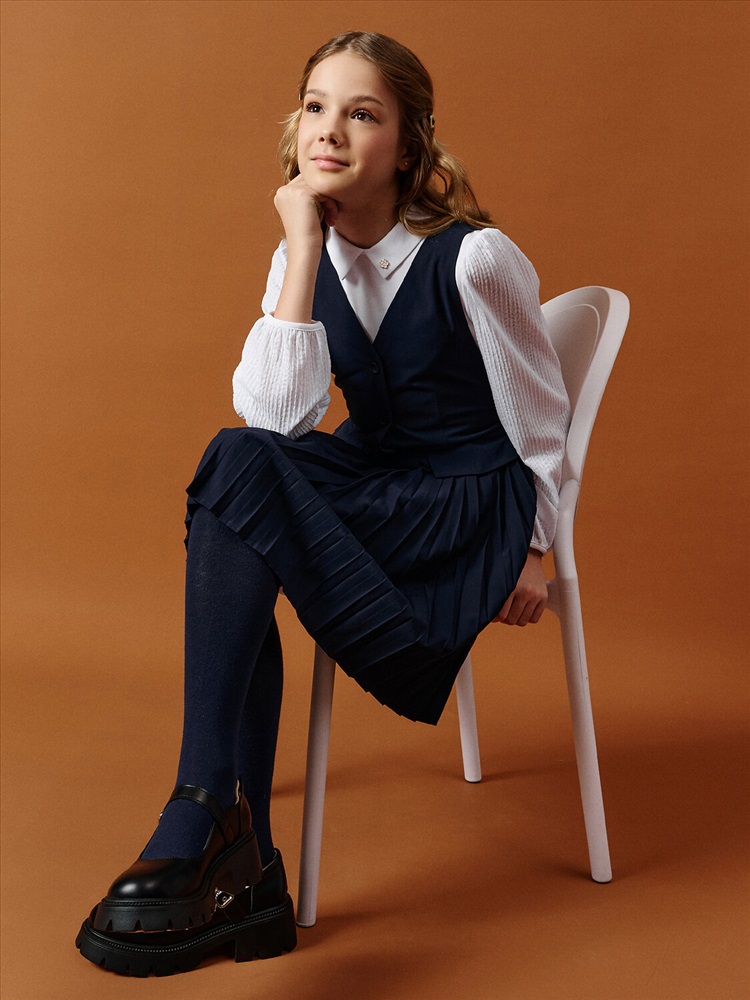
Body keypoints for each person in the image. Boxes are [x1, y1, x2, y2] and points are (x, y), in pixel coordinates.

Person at [76, 30, 570, 977]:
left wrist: (537, 545)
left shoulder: (475, 258)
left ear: (409, 146)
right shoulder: (303, 253)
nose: (329, 130)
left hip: (460, 503)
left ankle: (217, 831)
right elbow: (276, 420)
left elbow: (542, 418)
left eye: (362, 112)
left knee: (241, 488)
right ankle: (224, 825)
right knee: (237, 470)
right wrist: (303, 248)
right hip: (374, 476)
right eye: (315, 107)